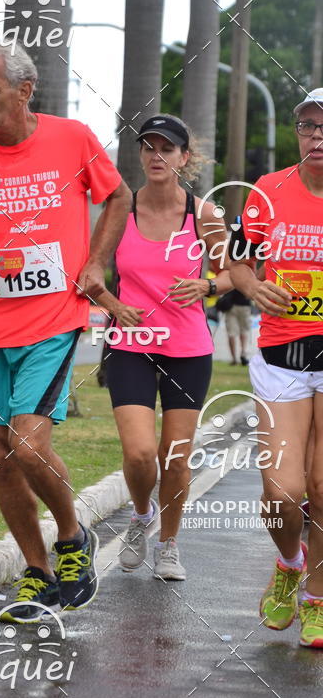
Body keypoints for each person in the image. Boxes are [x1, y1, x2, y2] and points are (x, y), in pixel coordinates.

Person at [0, 42, 130, 623]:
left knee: (27, 443)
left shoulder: (73, 139)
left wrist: (96, 262)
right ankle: (37, 572)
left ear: (24, 90)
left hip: (53, 320)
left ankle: (72, 535)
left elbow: (118, 196)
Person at [97, 114, 231, 580]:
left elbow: (234, 274)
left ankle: (168, 544)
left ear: (183, 157)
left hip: (188, 348)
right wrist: (114, 305)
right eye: (148, 147)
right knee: (139, 453)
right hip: (131, 344)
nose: (157, 156)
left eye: (167, 148)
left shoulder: (204, 215)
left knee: (174, 455)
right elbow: (87, 273)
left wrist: (207, 286)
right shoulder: (120, 210)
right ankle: (141, 515)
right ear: (140, 155)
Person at [229, 87, 323, 649]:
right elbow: (238, 261)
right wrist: (254, 287)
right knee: (284, 491)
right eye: (308, 126)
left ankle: (317, 596)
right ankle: (290, 561)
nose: (318, 136)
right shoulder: (268, 191)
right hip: (283, 354)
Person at [219, 286, 252, 365]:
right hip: (244, 304)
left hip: (231, 304)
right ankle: (243, 354)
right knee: (243, 331)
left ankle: (234, 359)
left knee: (231, 333)